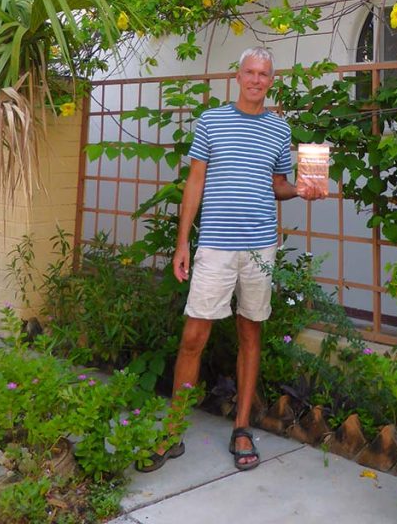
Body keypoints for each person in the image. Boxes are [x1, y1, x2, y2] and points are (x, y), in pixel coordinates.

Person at [137, 46, 322, 473]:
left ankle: (241, 428)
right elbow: (195, 182)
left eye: (265, 74)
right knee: (193, 337)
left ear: (271, 81)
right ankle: (173, 432)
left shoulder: (279, 130)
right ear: (237, 77)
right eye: (250, 72)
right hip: (215, 246)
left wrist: (300, 189)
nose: (257, 80)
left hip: (259, 247)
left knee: (249, 335)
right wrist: (183, 243)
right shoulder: (211, 121)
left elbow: (277, 183)